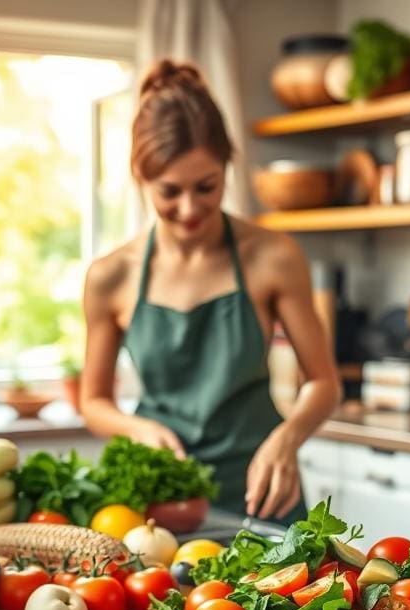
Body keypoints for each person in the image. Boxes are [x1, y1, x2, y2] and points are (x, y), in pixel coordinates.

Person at [80, 59, 340, 524]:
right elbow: (93, 400)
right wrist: (136, 429)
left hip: (260, 493)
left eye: (206, 187)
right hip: (159, 501)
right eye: (169, 192)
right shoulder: (111, 276)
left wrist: (287, 439)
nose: (190, 209)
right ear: (141, 179)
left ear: (227, 167)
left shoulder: (273, 256)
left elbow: (323, 382)